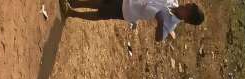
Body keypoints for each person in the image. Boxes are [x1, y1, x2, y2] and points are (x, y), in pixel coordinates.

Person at [62, 0, 205, 41]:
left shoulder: (171, 24)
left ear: (186, 19)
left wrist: (160, 22)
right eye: (189, 4)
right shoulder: (173, 2)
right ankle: (74, 3)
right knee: (101, 2)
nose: (186, 5)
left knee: (100, 13)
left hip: (128, 11)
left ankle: (71, 12)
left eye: (188, 9)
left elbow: (159, 38)